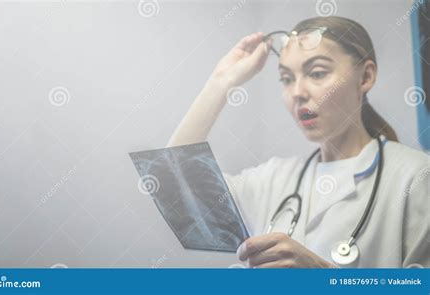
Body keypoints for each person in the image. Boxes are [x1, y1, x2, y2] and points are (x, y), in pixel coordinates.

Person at [167, 16, 429, 268]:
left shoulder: (417, 176)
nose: (297, 93)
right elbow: (172, 190)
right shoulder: (272, 179)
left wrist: (322, 278)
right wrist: (221, 82)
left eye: (316, 73)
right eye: (286, 78)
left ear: (365, 77)